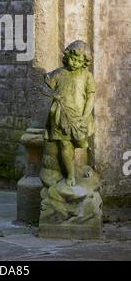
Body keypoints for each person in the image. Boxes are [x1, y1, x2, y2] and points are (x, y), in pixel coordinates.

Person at [41, 40, 95, 186]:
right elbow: (42, 88)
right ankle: (70, 175)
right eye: (72, 58)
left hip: (79, 117)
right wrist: (53, 94)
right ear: (66, 56)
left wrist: (85, 116)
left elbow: (90, 97)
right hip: (60, 116)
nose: (74, 63)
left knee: (81, 144)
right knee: (65, 144)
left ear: (84, 61)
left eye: (78, 60)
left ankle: (78, 169)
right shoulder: (59, 73)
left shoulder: (87, 76)